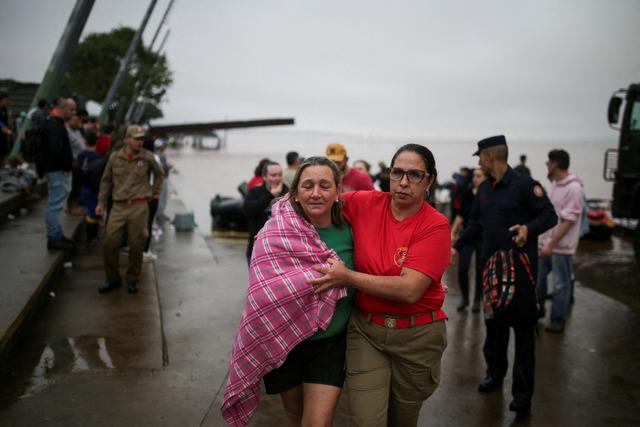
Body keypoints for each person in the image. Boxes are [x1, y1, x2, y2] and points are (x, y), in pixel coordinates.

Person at [311, 143, 450, 427]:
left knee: (403, 419)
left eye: (414, 175)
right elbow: (322, 199)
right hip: (367, 331)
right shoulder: (365, 203)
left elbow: (409, 290)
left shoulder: (435, 225)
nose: (403, 182)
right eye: (397, 172)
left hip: (417, 336)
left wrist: (347, 277)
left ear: (430, 181)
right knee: (367, 420)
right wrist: (285, 207)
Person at [223, 157, 353, 427]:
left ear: (338, 192)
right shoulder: (272, 233)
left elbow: (377, 266)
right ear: (295, 193)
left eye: (324, 185)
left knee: (317, 422)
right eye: (307, 186)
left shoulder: (353, 232)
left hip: (330, 344)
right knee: (294, 417)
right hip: (282, 340)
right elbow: (259, 296)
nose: (316, 193)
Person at [453, 135, 557, 420]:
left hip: (520, 273)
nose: (479, 162)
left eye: (480, 157)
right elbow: (475, 224)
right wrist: (455, 246)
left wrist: (528, 228)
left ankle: (522, 398)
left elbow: (550, 216)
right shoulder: (484, 189)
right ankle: (494, 375)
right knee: (494, 329)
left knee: (523, 337)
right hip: (490, 273)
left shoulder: (525, 185)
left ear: (489, 156)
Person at [96, 125, 164, 294]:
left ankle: (133, 279)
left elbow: (160, 174)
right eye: (136, 138)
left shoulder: (147, 157)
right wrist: (101, 203)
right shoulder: (114, 158)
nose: (140, 142)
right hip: (118, 206)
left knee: (136, 244)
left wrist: (153, 192)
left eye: (142, 139)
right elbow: (106, 181)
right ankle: (113, 279)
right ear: (127, 139)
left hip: (139, 206)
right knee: (110, 242)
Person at [537, 149, 584, 333]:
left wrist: (551, 244)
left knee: (560, 284)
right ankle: (539, 309)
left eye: (548, 163)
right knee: (539, 280)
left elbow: (568, 222)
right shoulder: (557, 184)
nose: (547, 166)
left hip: (561, 248)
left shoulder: (574, 188)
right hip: (546, 245)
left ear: (555, 164)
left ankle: (558, 320)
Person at [41, 98, 76, 251]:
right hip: (57, 170)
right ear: (63, 108)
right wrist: (65, 165)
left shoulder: (54, 123)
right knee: (54, 206)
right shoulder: (55, 125)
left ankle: (57, 234)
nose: (74, 113)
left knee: (56, 204)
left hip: (57, 170)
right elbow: (56, 149)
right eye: (72, 109)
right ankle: (54, 238)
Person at [450, 167, 487, 312]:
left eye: (479, 176)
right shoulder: (467, 192)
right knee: (463, 269)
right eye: (474, 176)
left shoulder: (489, 194)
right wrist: (453, 232)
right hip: (467, 236)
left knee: (479, 270)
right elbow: (461, 215)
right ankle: (464, 298)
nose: (475, 179)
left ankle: (477, 299)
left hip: (483, 237)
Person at [243, 161, 288, 264]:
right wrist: (270, 195)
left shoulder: (287, 193)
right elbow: (247, 210)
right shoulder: (255, 192)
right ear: (264, 177)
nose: (277, 178)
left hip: (281, 251)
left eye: (280, 175)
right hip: (256, 248)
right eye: (273, 175)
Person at [77, 131, 103, 243]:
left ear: (85, 141)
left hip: (84, 187)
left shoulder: (81, 156)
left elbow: (77, 172)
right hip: (95, 189)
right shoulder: (98, 157)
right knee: (94, 212)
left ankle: (90, 236)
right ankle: (92, 236)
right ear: (97, 142)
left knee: (89, 211)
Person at [0, 92, 13, 167]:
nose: (9, 102)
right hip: (1, 135)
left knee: (3, 154)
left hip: (4, 136)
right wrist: (5, 129)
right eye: (8, 100)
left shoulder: (5, 109)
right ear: (2, 100)